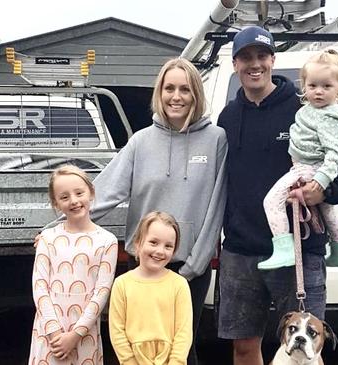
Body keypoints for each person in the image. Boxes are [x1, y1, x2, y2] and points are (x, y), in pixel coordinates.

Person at [38, 58, 227, 365]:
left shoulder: (215, 139)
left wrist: (196, 263)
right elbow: (103, 193)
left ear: (196, 94)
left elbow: (217, 203)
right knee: (135, 349)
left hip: (189, 269)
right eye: (169, 88)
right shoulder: (141, 142)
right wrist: (55, 229)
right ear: (159, 92)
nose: (176, 96)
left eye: (184, 89)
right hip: (143, 266)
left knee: (181, 350)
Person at [216, 26, 338, 365]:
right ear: (236, 63)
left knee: (306, 351)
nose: (254, 65)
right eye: (246, 58)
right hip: (241, 252)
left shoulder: (304, 109)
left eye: (261, 56)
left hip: (300, 250)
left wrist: (324, 190)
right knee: (242, 348)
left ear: (272, 60)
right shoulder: (228, 116)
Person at [260, 49, 338, 270]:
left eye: (326, 86)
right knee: (328, 210)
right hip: (304, 167)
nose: (318, 92)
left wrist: (319, 182)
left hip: (308, 170)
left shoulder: (331, 116)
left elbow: (336, 155)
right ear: (304, 86)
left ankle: (284, 249)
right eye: (312, 86)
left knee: (271, 202)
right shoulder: (307, 110)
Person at [28, 164, 117, 365]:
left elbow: (101, 292)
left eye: (79, 193)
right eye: (65, 197)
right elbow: (40, 287)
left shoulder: (106, 241)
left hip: (84, 334)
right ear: (56, 203)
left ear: (91, 193)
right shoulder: (48, 238)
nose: (74, 201)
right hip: (49, 334)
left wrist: (75, 335)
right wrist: (55, 333)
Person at [108, 211, 193, 365]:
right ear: (138, 243)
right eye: (153, 242)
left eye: (168, 246)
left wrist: (176, 361)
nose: (160, 251)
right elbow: (117, 330)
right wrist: (129, 361)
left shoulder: (179, 285)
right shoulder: (122, 284)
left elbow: (183, 332)